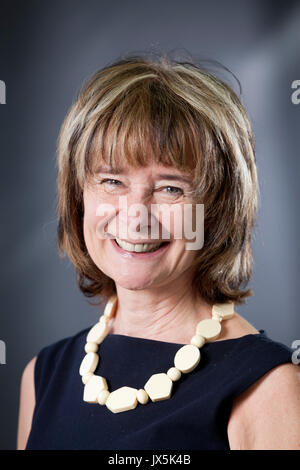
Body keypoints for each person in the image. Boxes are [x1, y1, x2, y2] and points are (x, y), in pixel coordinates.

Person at [17, 53, 300, 450]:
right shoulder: (42, 375)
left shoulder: (266, 386)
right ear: (79, 198)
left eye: (171, 188)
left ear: (218, 209)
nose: (136, 217)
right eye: (112, 180)